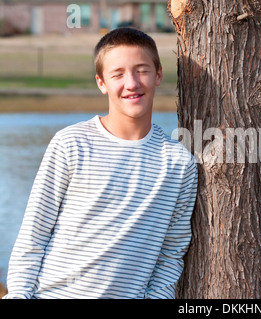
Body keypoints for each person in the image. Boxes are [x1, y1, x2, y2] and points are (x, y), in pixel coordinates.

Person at [3, 27, 198, 299]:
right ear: (101, 83)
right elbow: (34, 234)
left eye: (141, 70)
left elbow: (170, 255)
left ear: (158, 75)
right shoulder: (71, 143)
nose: (131, 83)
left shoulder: (178, 164)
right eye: (117, 74)